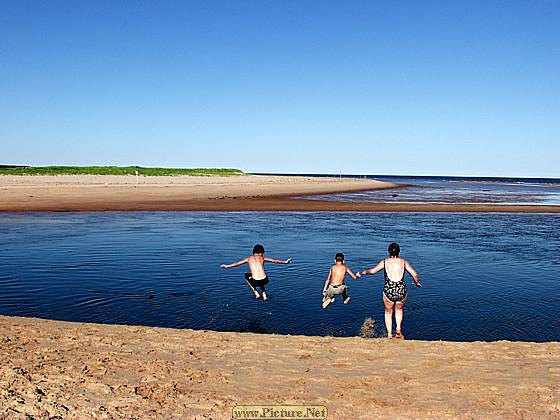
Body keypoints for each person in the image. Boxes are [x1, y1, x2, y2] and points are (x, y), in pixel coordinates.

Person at [360, 243, 421, 339]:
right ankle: (398, 329)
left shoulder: (384, 262)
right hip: (401, 289)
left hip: (389, 289)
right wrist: (416, 283)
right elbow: (415, 275)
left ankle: (389, 334)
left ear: (389, 251)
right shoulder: (403, 262)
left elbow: (372, 271)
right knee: (399, 310)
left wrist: (365, 272)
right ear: (399, 251)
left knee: (388, 312)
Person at [221, 244, 291, 301]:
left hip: (255, 281)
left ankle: (256, 293)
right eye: (263, 252)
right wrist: (285, 262)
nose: (263, 254)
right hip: (265, 280)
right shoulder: (263, 258)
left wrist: (227, 266)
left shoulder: (248, 259)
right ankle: (264, 294)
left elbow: (237, 263)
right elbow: (275, 261)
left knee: (247, 276)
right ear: (261, 252)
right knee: (261, 279)